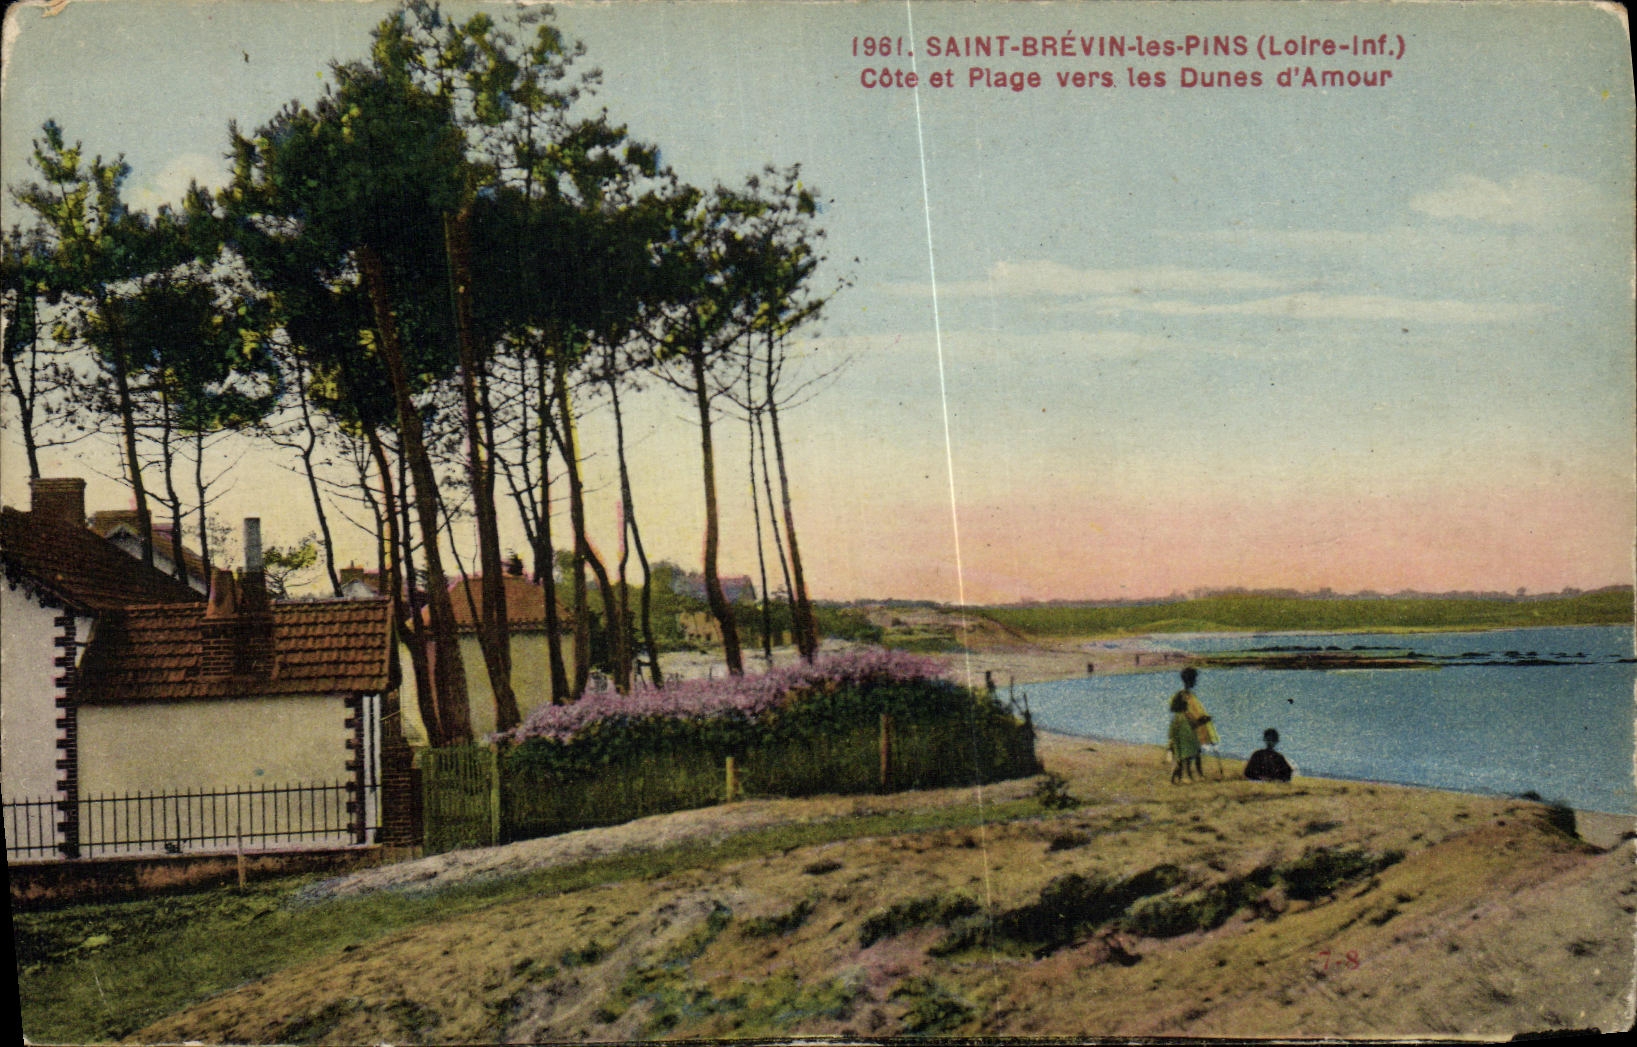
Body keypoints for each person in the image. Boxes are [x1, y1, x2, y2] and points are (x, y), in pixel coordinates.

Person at [1171, 667, 1216, 778]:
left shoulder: (1184, 695)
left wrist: (1202, 719)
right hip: (1186, 727)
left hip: (1182, 726)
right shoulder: (1186, 696)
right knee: (1192, 752)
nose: (1195, 682)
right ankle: (1192, 775)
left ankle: (1191, 774)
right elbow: (1188, 713)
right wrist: (1202, 720)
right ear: (1190, 681)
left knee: (1191, 752)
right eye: (1194, 680)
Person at [1167, 691, 1202, 783]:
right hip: (1188, 741)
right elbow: (1195, 724)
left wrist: (1171, 740)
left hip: (1179, 741)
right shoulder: (1187, 715)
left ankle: (1180, 776)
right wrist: (1203, 720)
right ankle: (1186, 777)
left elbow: (1172, 731)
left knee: (1181, 759)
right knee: (1187, 760)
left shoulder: (1176, 717)